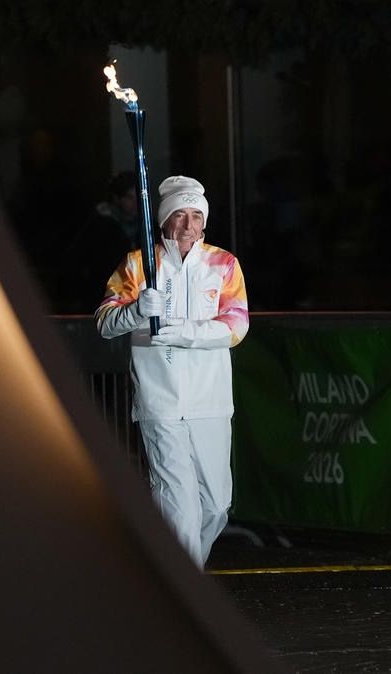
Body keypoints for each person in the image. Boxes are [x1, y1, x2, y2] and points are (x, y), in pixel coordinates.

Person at [95, 176, 249, 569]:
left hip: (210, 402)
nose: (188, 225)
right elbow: (105, 323)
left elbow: (236, 327)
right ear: (164, 220)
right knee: (180, 509)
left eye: (196, 215)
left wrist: (182, 333)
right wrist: (135, 311)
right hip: (160, 402)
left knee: (215, 506)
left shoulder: (224, 264)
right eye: (179, 215)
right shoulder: (137, 264)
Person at [57, 171, 141, 312]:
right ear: (117, 198)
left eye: (138, 197)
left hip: (137, 299)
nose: (135, 203)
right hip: (104, 301)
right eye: (129, 198)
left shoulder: (148, 226)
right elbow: (75, 262)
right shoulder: (98, 227)